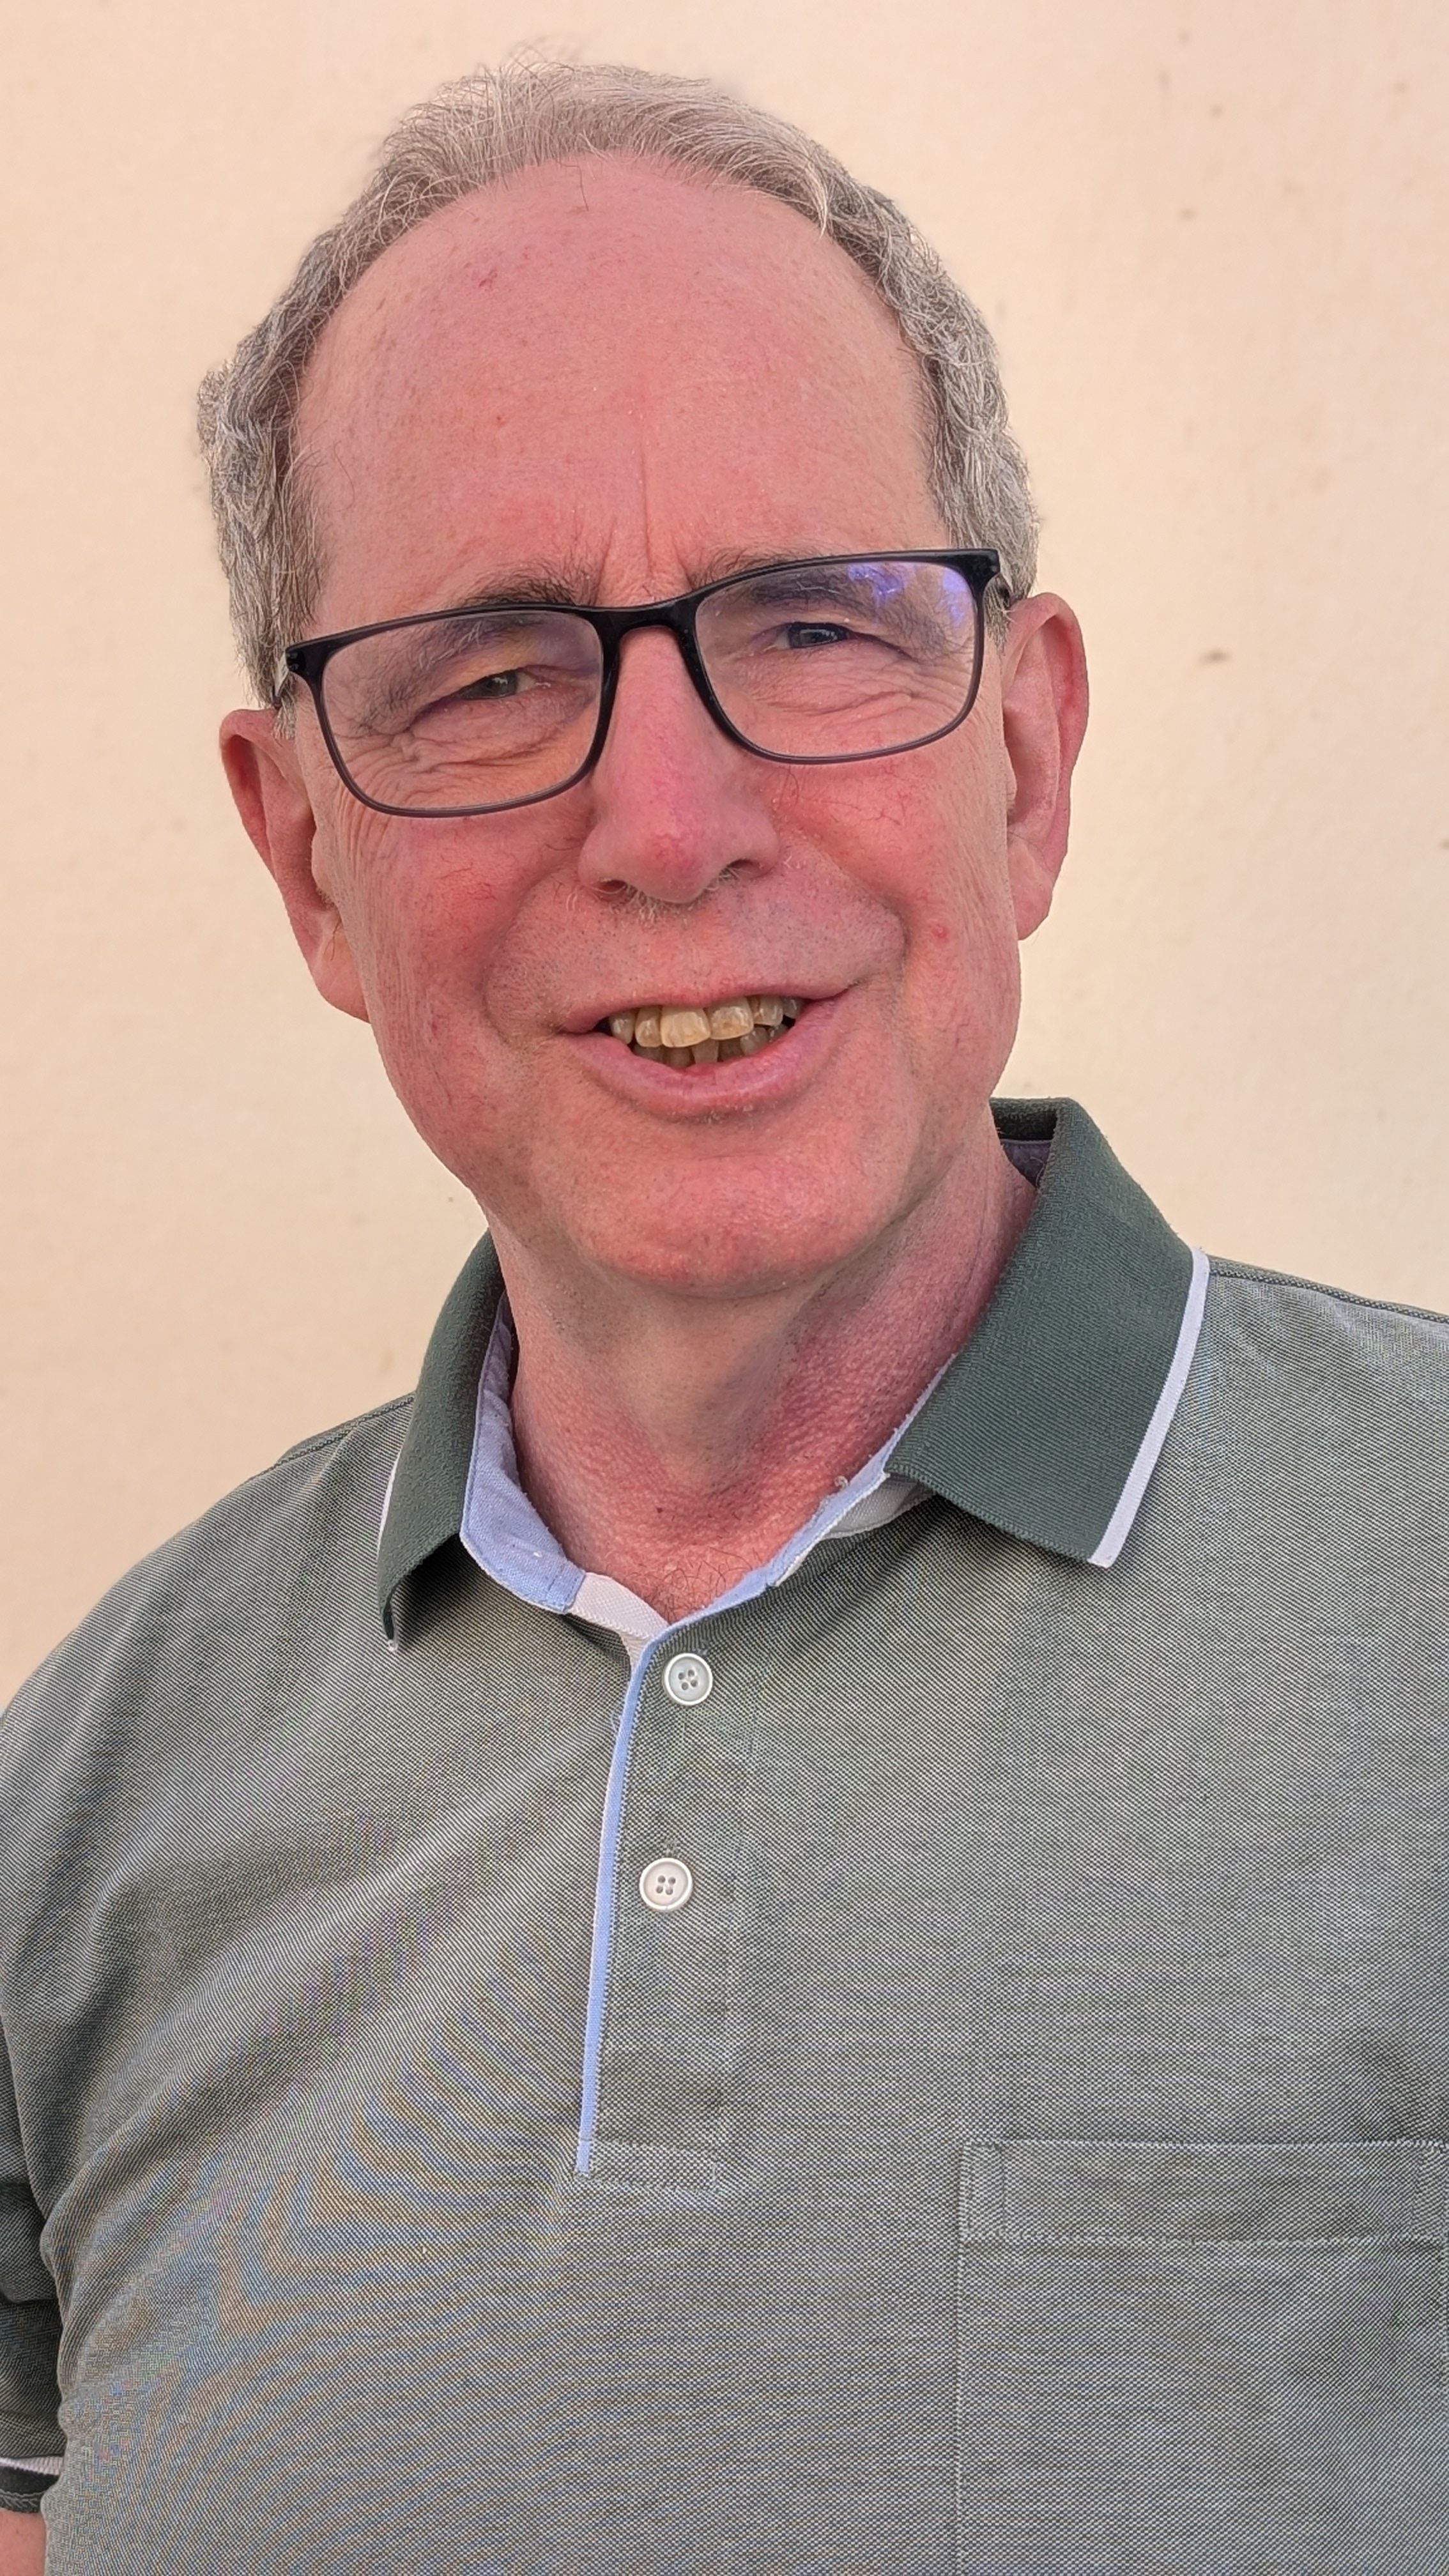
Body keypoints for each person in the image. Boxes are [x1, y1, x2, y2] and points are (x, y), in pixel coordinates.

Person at [1, 54, 1445, 2576]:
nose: (668, 830)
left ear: (1027, 760)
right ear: (306, 858)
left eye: (814, 625)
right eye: (486, 677)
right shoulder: (90, 1791)